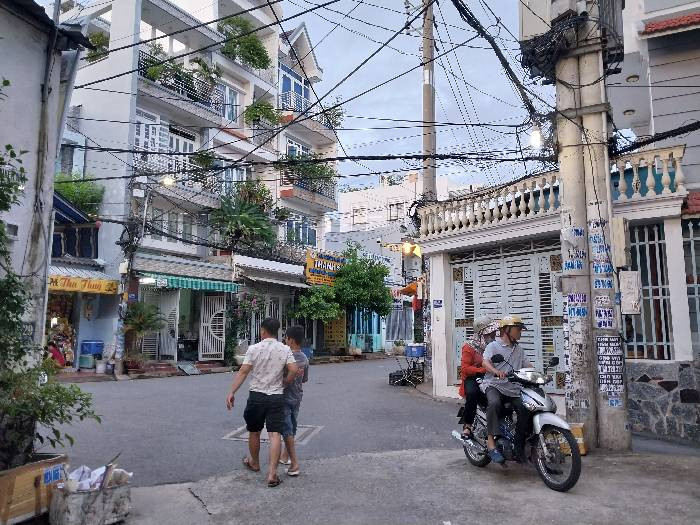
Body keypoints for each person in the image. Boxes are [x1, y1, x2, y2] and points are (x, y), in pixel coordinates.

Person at [226, 317, 298, 487]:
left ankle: (255, 463)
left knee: (254, 431)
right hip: (276, 397)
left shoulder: (254, 349)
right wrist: (285, 381)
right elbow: (294, 369)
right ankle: (272, 474)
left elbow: (243, 372)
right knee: (275, 434)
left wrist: (232, 392)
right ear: (277, 331)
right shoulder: (284, 349)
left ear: (263, 331)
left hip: (256, 396)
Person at [480, 315, 531, 464]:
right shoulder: (493, 346)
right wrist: (495, 371)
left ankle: (519, 443)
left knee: (526, 408)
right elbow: (485, 363)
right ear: (507, 330)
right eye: (518, 329)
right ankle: (491, 443)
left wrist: (538, 374)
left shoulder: (518, 349)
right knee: (494, 403)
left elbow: (528, 366)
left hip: (513, 389)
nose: (520, 332)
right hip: (494, 385)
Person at [458, 317, 499, 441]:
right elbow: (465, 368)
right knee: (473, 393)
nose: (494, 334)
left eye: (493, 331)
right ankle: (468, 426)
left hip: (490, 375)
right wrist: (482, 370)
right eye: (490, 332)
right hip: (473, 377)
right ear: (482, 333)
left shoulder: (493, 345)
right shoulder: (469, 347)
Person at [279, 325, 309, 477]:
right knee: (292, 426)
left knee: (286, 429)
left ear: (290, 340)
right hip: (297, 397)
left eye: (286, 338)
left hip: (284, 397)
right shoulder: (304, 358)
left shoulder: (285, 357)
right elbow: (304, 379)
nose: (285, 340)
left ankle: (294, 464)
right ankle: (285, 456)